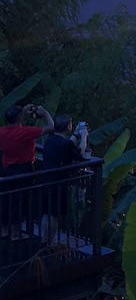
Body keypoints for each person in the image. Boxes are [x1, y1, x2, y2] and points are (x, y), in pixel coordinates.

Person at [0, 104, 54, 240]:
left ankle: (4, 230)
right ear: (19, 118)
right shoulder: (25, 132)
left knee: (6, 199)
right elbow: (51, 127)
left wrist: (22, 112)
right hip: (23, 170)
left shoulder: (2, 132)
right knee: (20, 201)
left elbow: (13, 125)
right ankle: (15, 233)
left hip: (7, 170)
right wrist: (45, 113)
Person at [40, 115, 85, 244]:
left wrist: (75, 134)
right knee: (54, 214)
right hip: (58, 183)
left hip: (46, 180)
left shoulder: (50, 140)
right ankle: (50, 241)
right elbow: (80, 153)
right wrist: (84, 136)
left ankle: (43, 238)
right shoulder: (65, 144)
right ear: (68, 126)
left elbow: (67, 145)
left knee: (46, 212)